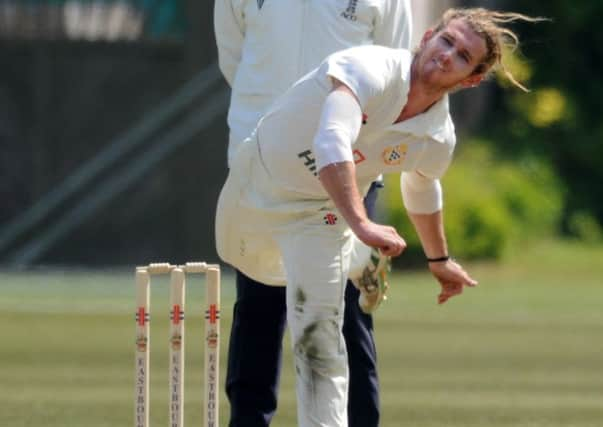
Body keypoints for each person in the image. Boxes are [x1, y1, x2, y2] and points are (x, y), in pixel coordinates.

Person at [216, 7, 541, 426]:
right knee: (261, 299)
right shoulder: (368, 66)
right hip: (258, 191)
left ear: (472, 78)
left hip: (321, 217)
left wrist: (439, 260)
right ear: (426, 38)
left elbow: (421, 185)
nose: (447, 56)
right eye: (446, 41)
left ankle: (348, 257)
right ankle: (354, 257)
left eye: (462, 56)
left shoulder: (438, 136)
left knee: (321, 339)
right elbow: (331, 141)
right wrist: (363, 224)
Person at [214, 1, 413, 426]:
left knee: (347, 311)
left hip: (349, 170)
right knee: (259, 306)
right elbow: (234, 56)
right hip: (263, 156)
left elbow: (398, 69)